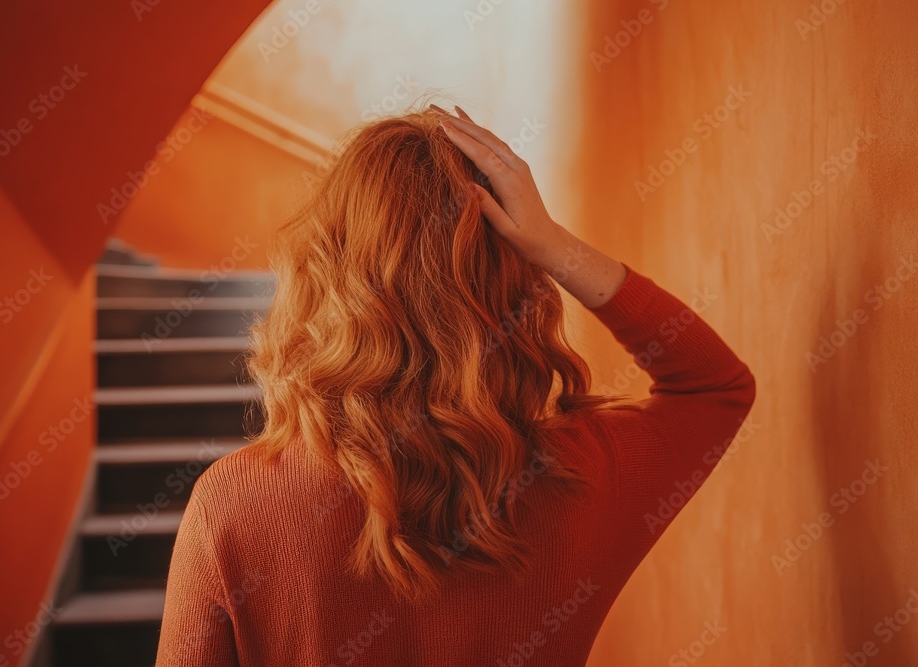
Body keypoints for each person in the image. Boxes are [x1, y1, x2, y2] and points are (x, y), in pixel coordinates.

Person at [155, 104, 756, 666]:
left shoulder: (231, 506)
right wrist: (553, 245)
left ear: (323, 273)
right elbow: (714, 386)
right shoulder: (585, 477)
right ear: (517, 282)